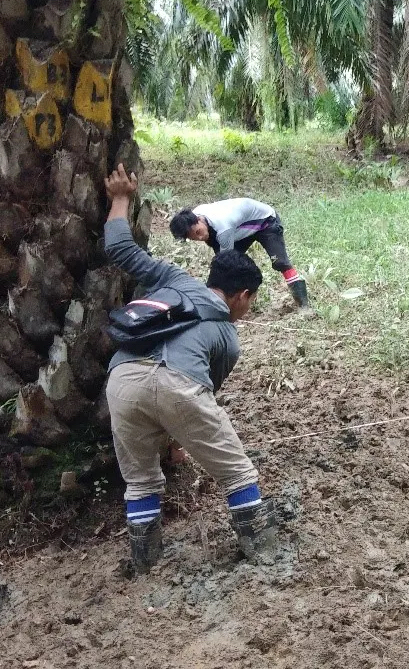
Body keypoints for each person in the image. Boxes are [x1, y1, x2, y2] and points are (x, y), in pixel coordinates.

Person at [104, 164, 278, 572]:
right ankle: (268, 557)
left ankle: (145, 564)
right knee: (237, 473)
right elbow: (196, 397)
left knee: (141, 482)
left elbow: (119, 249)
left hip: (121, 382)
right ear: (242, 295)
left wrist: (121, 197)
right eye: (250, 302)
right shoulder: (227, 340)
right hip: (178, 385)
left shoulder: (175, 278)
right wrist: (180, 441)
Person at [169, 198, 311, 311]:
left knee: (280, 262)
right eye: (193, 237)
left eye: (198, 232)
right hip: (240, 230)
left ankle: (303, 305)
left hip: (265, 221)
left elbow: (226, 265)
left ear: (199, 220)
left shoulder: (223, 227)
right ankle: (236, 301)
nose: (199, 238)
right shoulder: (195, 216)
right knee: (226, 267)